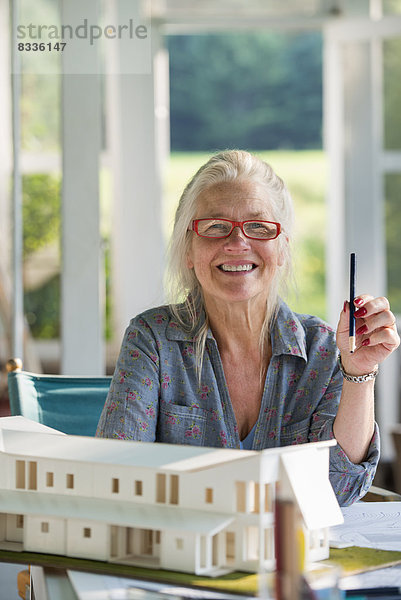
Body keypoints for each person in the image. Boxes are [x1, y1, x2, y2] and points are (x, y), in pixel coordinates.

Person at [96, 150, 400, 506]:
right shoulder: (152, 339)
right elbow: (116, 478)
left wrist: (359, 373)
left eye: (258, 227)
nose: (237, 243)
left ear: (282, 248)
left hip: (293, 555)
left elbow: (339, 490)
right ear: (188, 252)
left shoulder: (324, 348)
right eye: (215, 227)